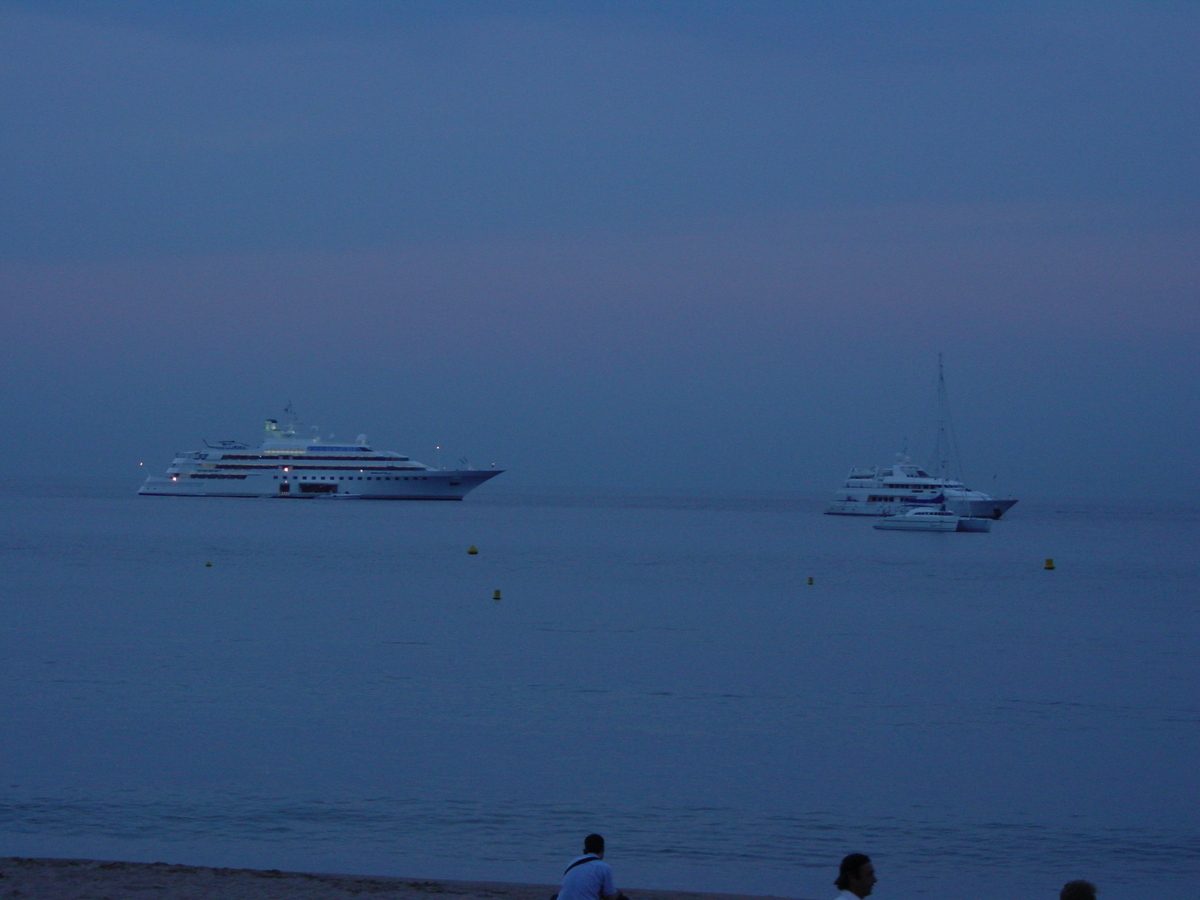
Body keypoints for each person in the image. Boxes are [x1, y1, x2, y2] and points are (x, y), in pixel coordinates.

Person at [557, 833, 621, 900]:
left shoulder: (573, 862)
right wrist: (619, 893)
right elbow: (609, 897)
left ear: (585, 849)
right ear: (602, 849)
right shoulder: (603, 867)